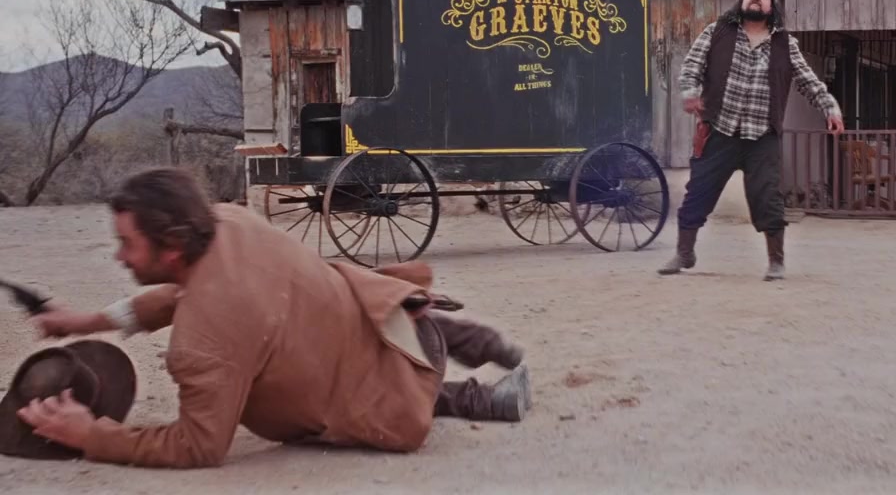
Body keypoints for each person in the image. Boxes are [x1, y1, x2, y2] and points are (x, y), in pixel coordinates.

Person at [12, 167, 532, 469]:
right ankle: (489, 357)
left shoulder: (204, 341)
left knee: (359, 396)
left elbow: (198, 445)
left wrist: (91, 436)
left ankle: (486, 396)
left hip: (390, 400)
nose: (119, 256)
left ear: (170, 248)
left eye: (128, 243)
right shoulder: (227, 222)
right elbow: (186, 295)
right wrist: (83, 322)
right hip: (400, 321)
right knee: (368, 359)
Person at [658, 0, 844, 281]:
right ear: (742, 2)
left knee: (767, 196)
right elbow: (692, 66)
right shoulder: (717, 32)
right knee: (698, 193)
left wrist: (830, 108)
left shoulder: (786, 44)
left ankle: (776, 261)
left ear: (771, 8)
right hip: (719, 130)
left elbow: (809, 82)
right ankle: (684, 252)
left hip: (761, 136)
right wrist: (690, 92)